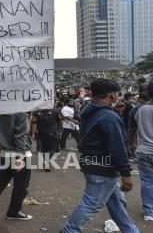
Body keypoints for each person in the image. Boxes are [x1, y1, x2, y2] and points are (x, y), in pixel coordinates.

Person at [62, 79, 138, 233]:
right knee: (91, 203)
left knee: (117, 203)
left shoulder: (88, 111)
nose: (118, 96)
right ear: (111, 95)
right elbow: (118, 148)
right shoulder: (109, 117)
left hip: (93, 164)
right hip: (103, 168)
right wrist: (126, 173)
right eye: (117, 93)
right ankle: (69, 230)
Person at [0, 113, 33, 221]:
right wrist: (20, 156)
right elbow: (20, 136)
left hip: (5, 153)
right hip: (19, 154)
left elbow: (0, 134)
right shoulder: (20, 113)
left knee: (1, 181)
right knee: (21, 186)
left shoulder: (3, 113)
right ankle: (13, 212)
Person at [129, 80, 153, 221]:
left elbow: (132, 128)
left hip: (143, 150)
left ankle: (149, 212)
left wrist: (130, 143)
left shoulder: (141, 109)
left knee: (148, 181)